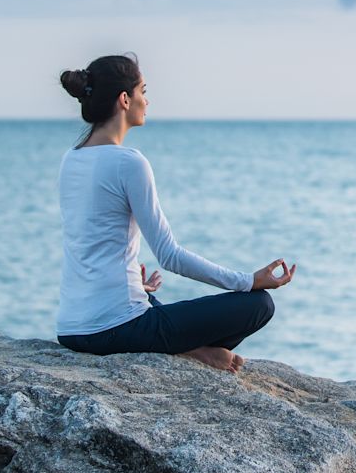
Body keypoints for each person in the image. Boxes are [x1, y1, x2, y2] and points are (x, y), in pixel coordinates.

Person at [53, 53, 295, 372]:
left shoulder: (71, 159)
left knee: (147, 301)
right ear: (125, 100)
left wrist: (132, 287)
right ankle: (190, 350)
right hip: (113, 329)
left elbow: (89, 243)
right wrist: (248, 280)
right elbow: (170, 256)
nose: (147, 101)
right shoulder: (129, 162)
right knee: (259, 304)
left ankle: (190, 346)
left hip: (71, 329)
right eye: (143, 91)